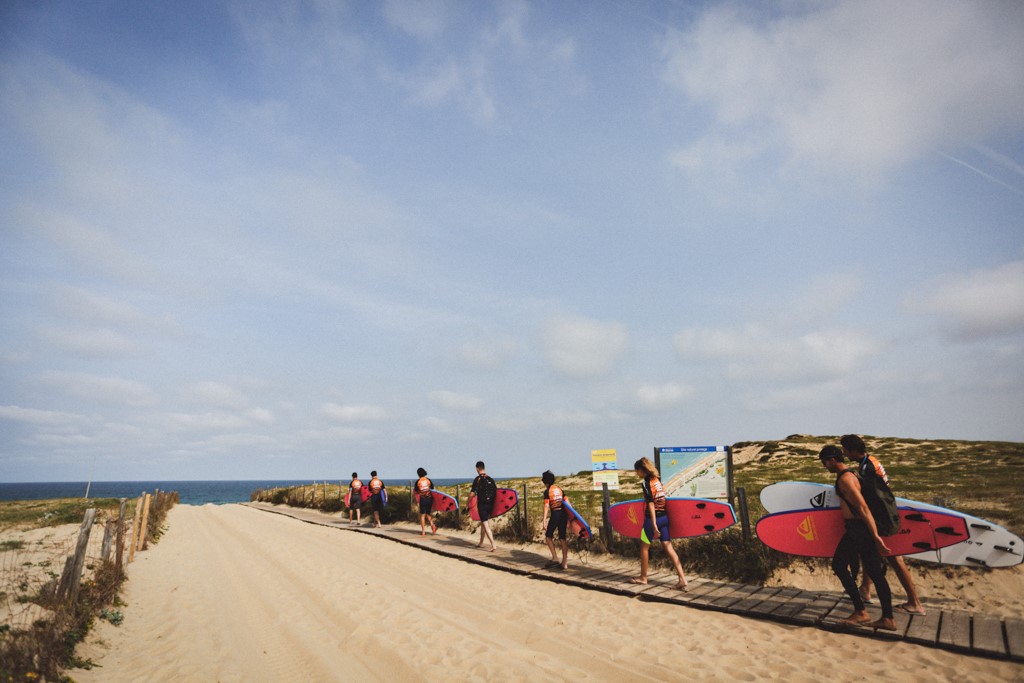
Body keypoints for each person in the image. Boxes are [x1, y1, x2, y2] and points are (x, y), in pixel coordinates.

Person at [842, 434, 926, 615]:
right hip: (885, 515)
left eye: (845, 450)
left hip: (884, 519)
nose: (844, 453)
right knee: (869, 552)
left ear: (853, 450)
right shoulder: (870, 461)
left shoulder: (868, 468)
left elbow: (871, 497)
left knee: (895, 558)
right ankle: (865, 589)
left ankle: (915, 602)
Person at [818, 444, 895, 630]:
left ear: (832, 460)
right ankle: (885, 617)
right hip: (857, 529)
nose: (824, 466)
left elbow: (863, 508)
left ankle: (864, 613)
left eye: (824, 462)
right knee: (873, 571)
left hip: (858, 530)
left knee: (841, 565)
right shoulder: (851, 475)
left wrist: (876, 536)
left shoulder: (846, 479)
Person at [630, 457, 688, 590]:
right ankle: (682, 579)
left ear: (641, 470)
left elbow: (651, 504)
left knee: (644, 547)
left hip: (651, 521)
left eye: (636, 471)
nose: (636, 474)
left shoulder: (645, 483)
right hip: (664, 518)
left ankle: (643, 578)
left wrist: (654, 525)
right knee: (669, 547)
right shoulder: (657, 480)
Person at [540, 470, 568, 570]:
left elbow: (546, 506)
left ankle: (555, 558)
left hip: (555, 514)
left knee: (548, 536)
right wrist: (571, 518)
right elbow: (568, 504)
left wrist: (544, 521)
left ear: (546, 482)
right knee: (562, 538)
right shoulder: (560, 489)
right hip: (563, 515)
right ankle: (564, 563)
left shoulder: (547, 491)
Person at [470, 460, 497, 552]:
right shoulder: (490, 479)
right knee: (483, 523)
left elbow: (472, 493)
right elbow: (496, 492)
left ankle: (493, 545)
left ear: (477, 469)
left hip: (482, 505)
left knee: (485, 525)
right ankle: (481, 542)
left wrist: (467, 503)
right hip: (491, 505)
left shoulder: (477, 479)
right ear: (484, 468)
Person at [415, 467, 437, 536]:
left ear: (418, 474)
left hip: (423, 499)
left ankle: (423, 532)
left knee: (422, 515)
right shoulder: (428, 480)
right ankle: (432, 525)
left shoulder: (418, 482)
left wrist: (417, 500)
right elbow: (433, 489)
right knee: (428, 514)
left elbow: (416, 491)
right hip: (429, 499)